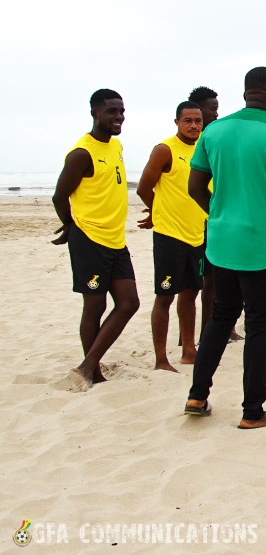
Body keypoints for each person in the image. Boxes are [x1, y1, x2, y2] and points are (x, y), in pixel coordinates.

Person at [183, 66, 266, 428]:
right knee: (258, 325)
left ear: (244, 94)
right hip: (264, 246)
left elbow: (195, 187)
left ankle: (197, 394)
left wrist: (219, 216)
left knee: (220, 317)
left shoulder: (215, 131)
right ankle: (252, 412)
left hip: (221, 243)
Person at [51, 89, 140, 391]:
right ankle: (94, 370)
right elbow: (59, 196)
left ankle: (88, 365)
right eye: (112, 112)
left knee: (129, 303)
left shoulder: (115, 146)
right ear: (95, 114)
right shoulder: (81, 154)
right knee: (95, 305)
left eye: (121, 111)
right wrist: (71, 225)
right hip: (89, 238)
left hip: (115, 239)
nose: (118, 117)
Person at [135, 101, 206, 372]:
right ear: (176, 122)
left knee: (190, 295)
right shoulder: (164, 150)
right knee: (165, 296)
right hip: (169, 235)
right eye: (187, 120)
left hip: (197, 235)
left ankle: (189, 351)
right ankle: (161, 359)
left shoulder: (205, 149)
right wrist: (157, 212)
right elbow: (143, 188)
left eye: (197, 121)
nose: (193, 125)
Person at [188, 85, 241, 342]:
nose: (217, 115)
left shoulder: (216, 140)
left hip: (214, 223)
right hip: (194, 225)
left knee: (218, 281)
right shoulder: (193, 143)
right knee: (200, 285)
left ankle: (222, 329)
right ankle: (199, 335)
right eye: (213, 110)